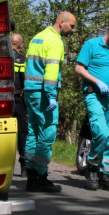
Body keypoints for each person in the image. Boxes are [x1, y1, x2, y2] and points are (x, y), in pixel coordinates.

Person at [23, 11, 77, 192]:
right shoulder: (55, 42)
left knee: (33, 132)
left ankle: (30, 175)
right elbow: (51, 73)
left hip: (30, 90)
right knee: (46, 135)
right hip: (44, 93)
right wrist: (51, 95)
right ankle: (40, 177)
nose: (73, 30)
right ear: (62, 22)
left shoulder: (38, 37)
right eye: (72, 26)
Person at [74, 21, 109, 192]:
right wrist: (97, 81)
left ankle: (104, 173)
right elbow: (79, 68)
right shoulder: (91, 45)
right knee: (100, 132)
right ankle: (92, 168)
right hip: (93, 94)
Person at [11, 33, 29, 175]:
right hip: (19, 100)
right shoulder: (23, 61)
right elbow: (27, 81)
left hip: (1, 101)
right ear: (21, 45)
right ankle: (24, 166)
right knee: (23, 133)